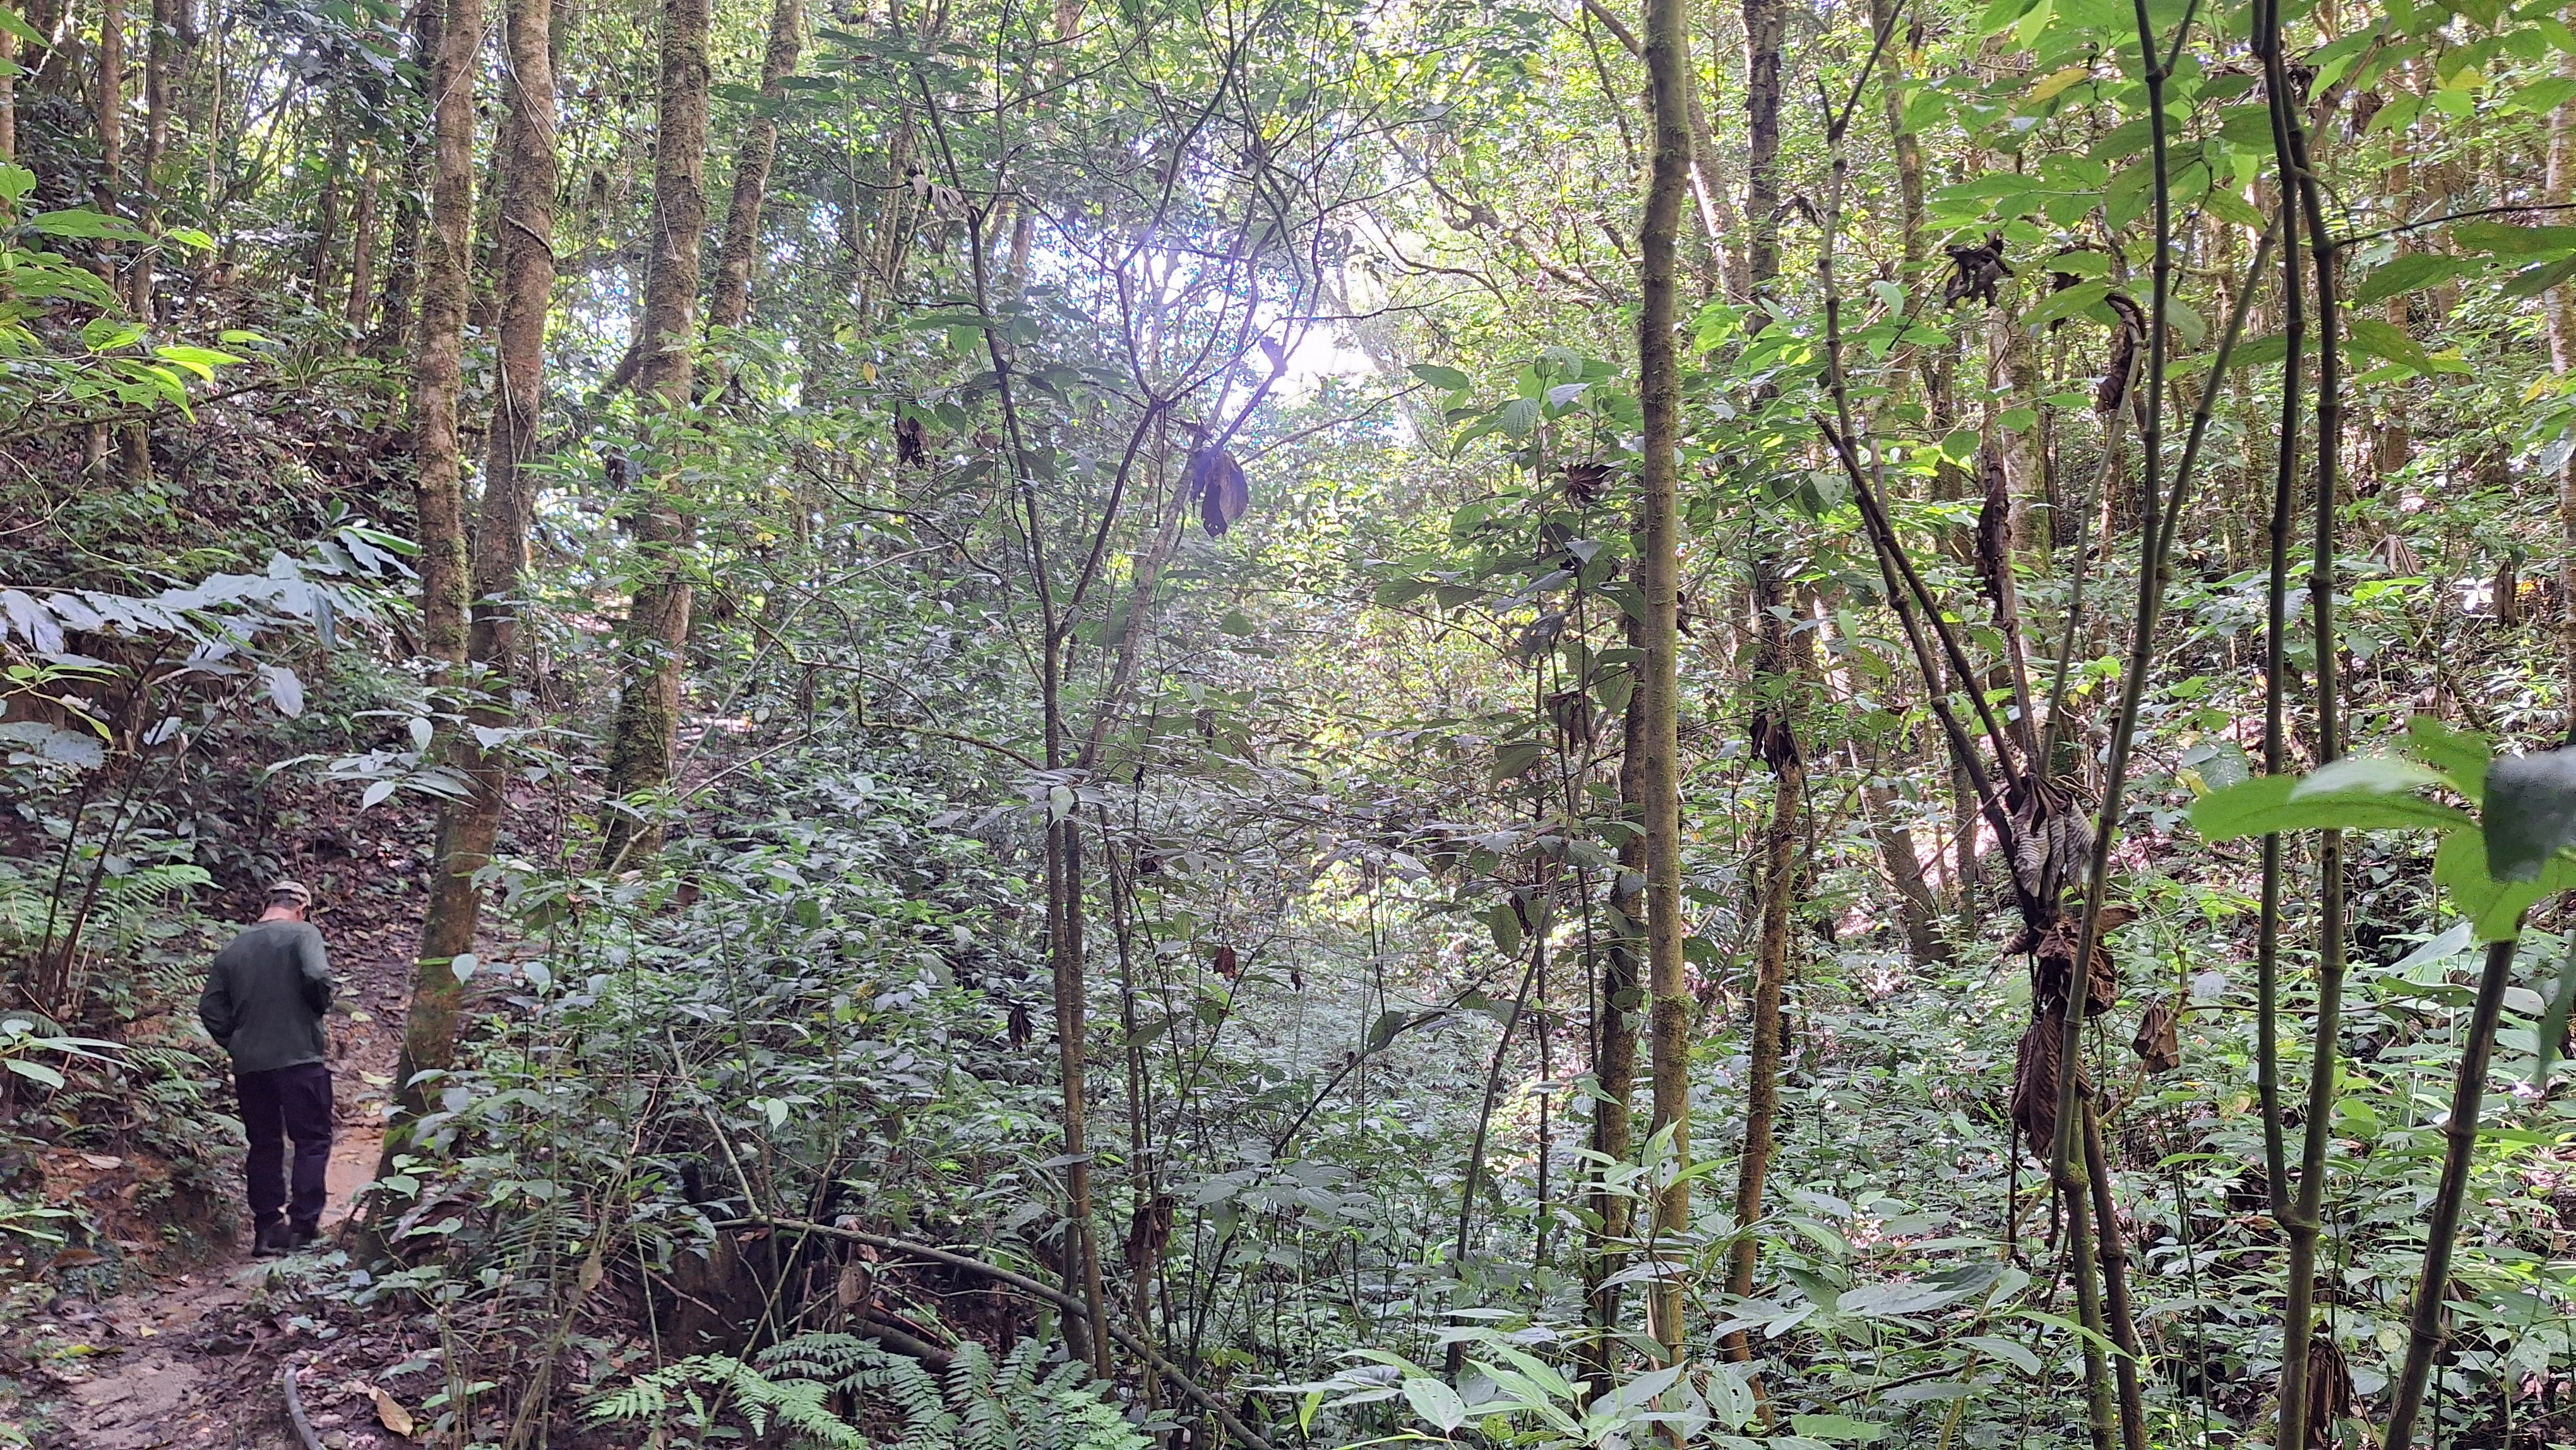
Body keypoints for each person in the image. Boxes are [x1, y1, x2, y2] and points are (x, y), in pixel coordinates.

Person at [198, 879, 335, 1255]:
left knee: (264, 1144)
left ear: (267, 905)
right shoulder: (303, 933)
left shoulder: (233, 947)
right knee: (311, 1140)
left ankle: (266, 1228)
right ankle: (303, 1228)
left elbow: (210, 1007)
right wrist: (318, 1008)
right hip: (300, 1058)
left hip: (251, 1067)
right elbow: (317, 976)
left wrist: (237, 1042)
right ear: (301, 909)